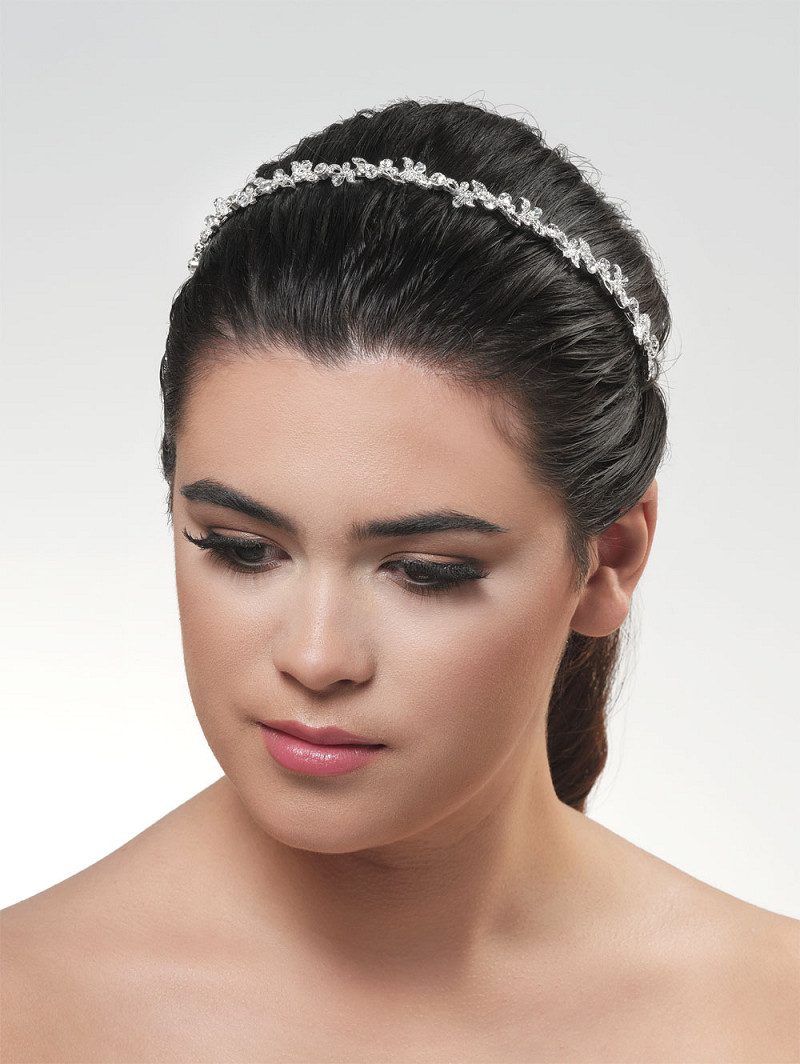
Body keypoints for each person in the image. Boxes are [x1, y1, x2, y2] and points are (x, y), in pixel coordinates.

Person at [2, 97, 797, 1064]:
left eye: (425, 572)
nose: (315, 657)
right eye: (242, 549)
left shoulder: (770, 1013)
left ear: (611, 559)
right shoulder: (26, 1008)